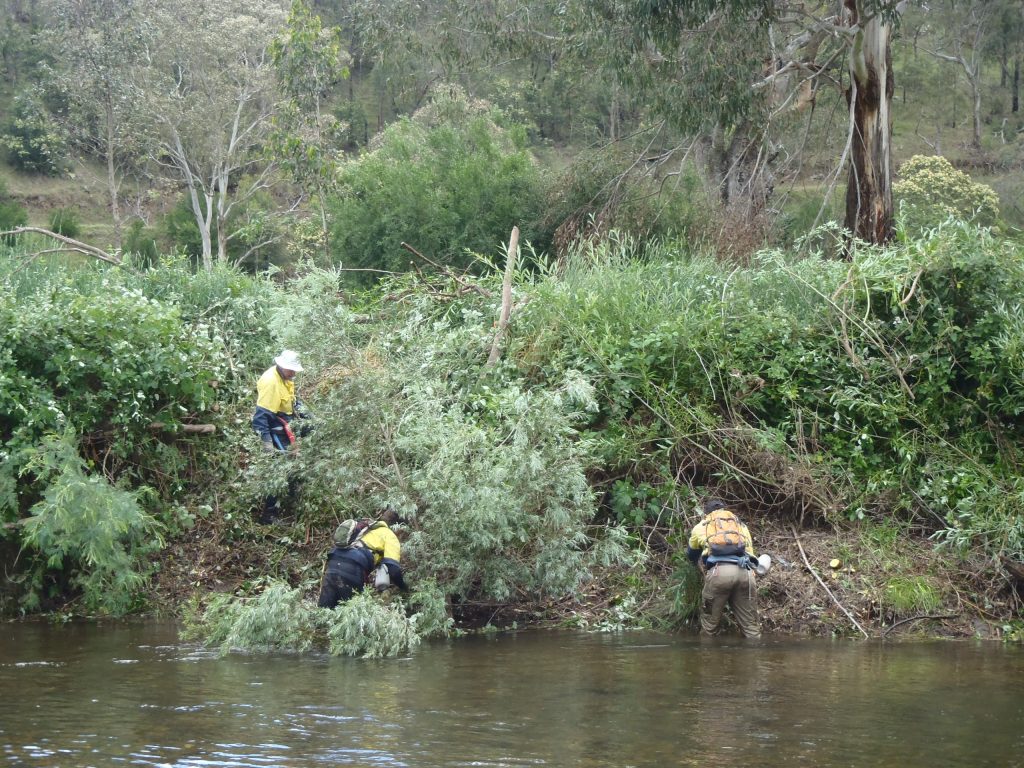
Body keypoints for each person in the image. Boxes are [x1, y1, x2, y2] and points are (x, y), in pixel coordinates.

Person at [686, 498, 761, 638]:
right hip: (746, 574)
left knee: (709, 627)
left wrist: (695, 566)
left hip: (719, 573)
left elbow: (691, 554)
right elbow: (750, 553)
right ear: (726, 511)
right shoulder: (740, 526)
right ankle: (755, 657)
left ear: (706, 513)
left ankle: (707, 657)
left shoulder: (702, 526)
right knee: (751, 628)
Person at [251, 350, 307, 522]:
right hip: (274, 424)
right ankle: (268, 513)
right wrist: (267, 445)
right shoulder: (271, 383)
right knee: (280, 468)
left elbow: (292, 399)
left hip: (287, 419)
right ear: (282, 366)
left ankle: (292, 494)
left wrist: (306, 415)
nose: (294, 373)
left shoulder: (286, 377)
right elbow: (260, 419)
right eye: (292, 369)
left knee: (298, 455)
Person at [318, 509, 409, 609]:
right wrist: (404, 588)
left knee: (323, 613)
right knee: (349, 614)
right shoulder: (389, 535)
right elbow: (393, 569)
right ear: (398, 528)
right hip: (352, 569)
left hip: (332, 565)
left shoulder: (366, 528)